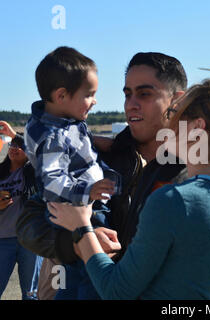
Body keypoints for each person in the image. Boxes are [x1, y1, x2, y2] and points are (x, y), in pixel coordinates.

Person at [16, 52, 210, 299]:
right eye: (127, 94)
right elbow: (29, 221)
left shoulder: (202, 172)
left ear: (177, 100)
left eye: (144, 94)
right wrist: (78, 243)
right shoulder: (102, 160)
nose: (130, 104)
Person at [47, 79, 210, 300]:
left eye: (174, 114)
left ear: (196, 128)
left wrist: (82, 228)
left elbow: (116, 290)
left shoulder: (173, 201)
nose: (167, 123)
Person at [23, 46, 122, 300]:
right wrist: (88, 190)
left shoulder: (59, 121)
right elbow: (52, 182)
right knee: (92, 273)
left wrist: (96, 140)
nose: (95, 101)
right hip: (80, 208)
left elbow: (76, 146)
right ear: (61, 95)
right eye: (89, 95)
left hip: (78, 206)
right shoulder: (54, 136)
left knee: (73, 274)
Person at [0, 121, 42, 300]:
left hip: (30, 240)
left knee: (30, 294)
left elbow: (41, 156)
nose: (14, 148)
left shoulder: (34, 173)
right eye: (12, 145)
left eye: (19, 146)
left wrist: (14, 135)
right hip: (3, 240)